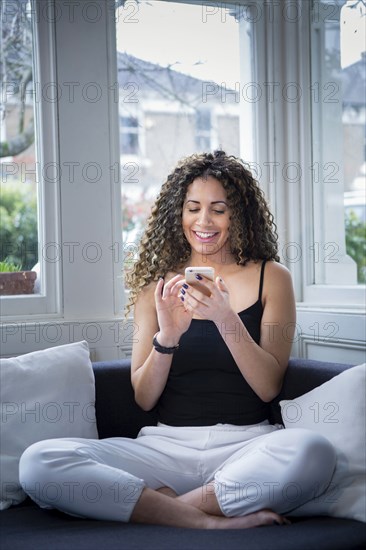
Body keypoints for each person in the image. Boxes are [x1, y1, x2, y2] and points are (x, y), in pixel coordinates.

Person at [19, 151, 336, 529]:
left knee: (315, 452)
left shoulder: (273, 277)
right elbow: (143, 397)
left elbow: (268, 388)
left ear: (239, 214)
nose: (203, 221)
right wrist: (168, 337)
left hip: (246, 447)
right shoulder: (156, 285)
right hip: (163, 449)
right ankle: (206, 520)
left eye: (218, 209)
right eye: (193, 208)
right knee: (39, 461)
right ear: (178, 213)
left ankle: (165, 509)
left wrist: (224, 317)